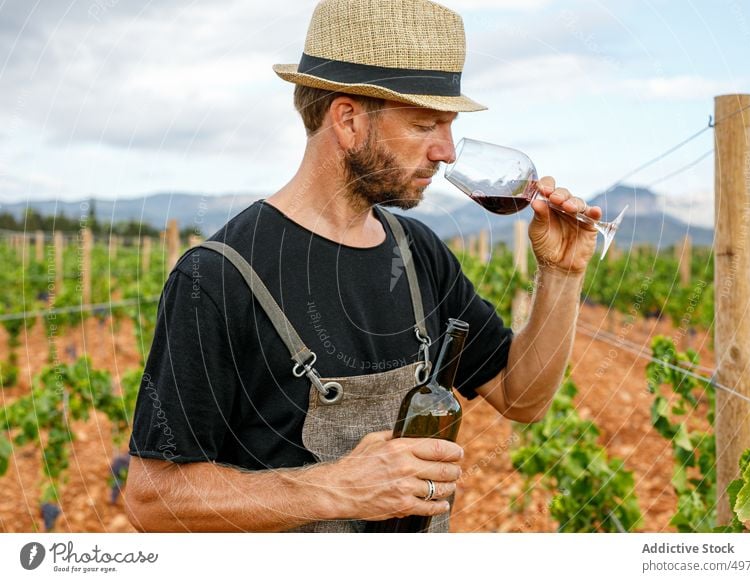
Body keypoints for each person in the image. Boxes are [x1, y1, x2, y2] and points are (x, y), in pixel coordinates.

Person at [124, 0, 602, 533]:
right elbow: (152, 499)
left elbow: (523, 397)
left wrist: (561, 274)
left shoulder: (419, 252)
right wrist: (337, 486)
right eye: (426, 125)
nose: (446, 151)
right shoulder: (218, 276)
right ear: (348, 120)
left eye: (450, 127)